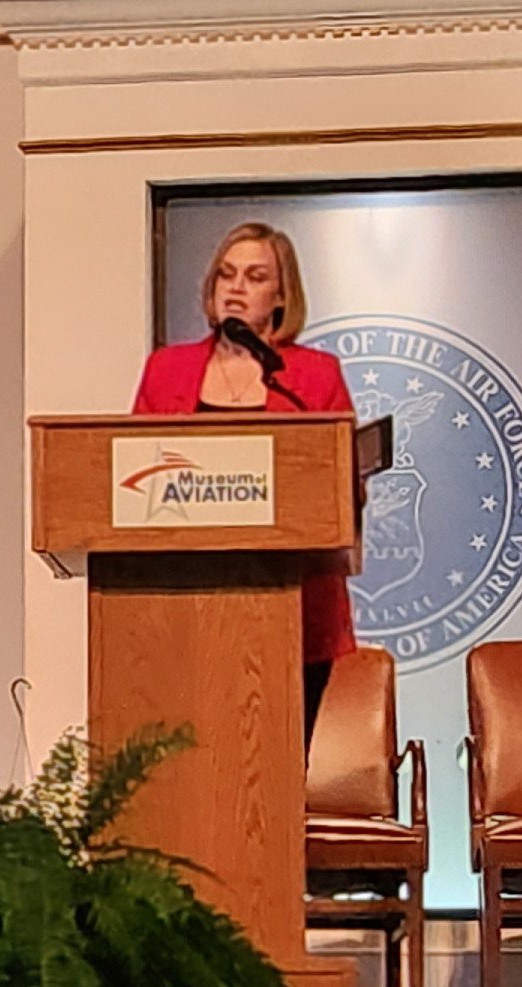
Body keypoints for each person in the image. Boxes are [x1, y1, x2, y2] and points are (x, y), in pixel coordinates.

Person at [132, 221, 356, 756]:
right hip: (184, 607)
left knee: (274, 768)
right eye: (226, 275)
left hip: (292, 609)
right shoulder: (167, 370)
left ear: (281, 296)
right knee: (191, 770)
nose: (236, 288)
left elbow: (342, 482)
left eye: (255, 277)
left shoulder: (314, 376)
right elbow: (133, 479)